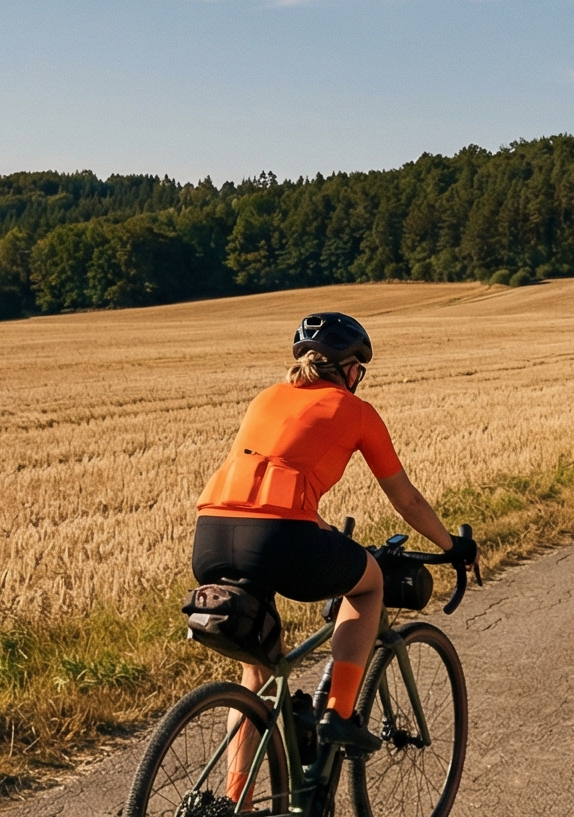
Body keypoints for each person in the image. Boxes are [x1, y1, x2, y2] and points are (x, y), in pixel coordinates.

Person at [194, 311, 476, 761]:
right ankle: (339, 715)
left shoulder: (267, 398)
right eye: (358, 370)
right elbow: (407, 501)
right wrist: (453, 546)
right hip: (279, 539)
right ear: (349, 368)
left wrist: (320, 529)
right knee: (369, 586)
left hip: (210, 534)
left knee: (259, 675)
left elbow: (269, 489)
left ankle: (236, 811)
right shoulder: (357, 412)